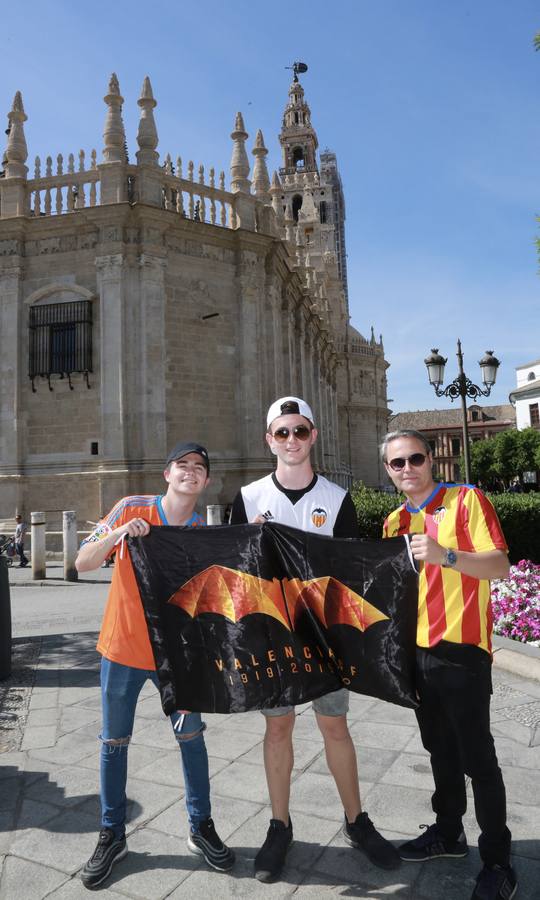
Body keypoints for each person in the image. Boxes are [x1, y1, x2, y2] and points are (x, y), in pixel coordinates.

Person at [231, 396, 400, 882]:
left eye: (299, 431)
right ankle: (279, 825)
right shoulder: (247, 498)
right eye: (282, 433)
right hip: (274, 638)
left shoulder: (336, 499)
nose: (291, 441)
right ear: (269, 440)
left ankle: (356, 821)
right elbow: (235, 573)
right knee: (278, 730)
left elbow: (349, 570)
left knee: (335, 728)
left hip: (325, 639)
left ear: (313, 436)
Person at [75, 442, 234, 888]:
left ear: (205, 481)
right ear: (167, 473)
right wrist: (120, 535)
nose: (190, 472)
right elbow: (83, 560)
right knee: (114, 742)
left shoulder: (201, 532)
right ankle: (112, 834)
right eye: (182, 465)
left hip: (177, 659)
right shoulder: (132, 508)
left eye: (199, 468)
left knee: (192, 739)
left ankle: (200, 825)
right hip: (122, 650)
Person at [381, 429, 516, 900]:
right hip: (418, 656)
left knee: (479, 759)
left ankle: (498, 860)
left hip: (462, 652)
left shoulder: (466, 501)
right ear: (388, 471)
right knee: (439, 750)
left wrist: (446, 556)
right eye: (397, 463)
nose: (407, 469)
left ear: (430, 460)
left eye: (415, 458)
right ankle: (449, 833)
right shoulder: (394, 521)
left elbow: (499, 564)